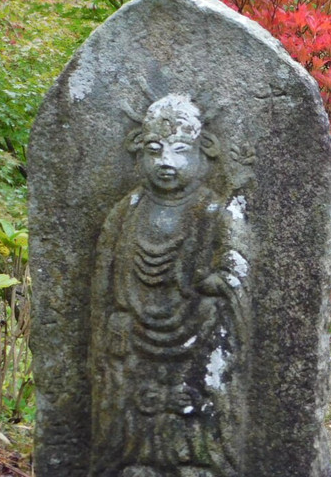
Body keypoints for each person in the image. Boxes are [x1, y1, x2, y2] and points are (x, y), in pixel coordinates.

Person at [89, 94, 248, 477]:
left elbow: (236, 267)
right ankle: (130, 461)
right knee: (131, 408)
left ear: (201, 152)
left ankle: (200, 460)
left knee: (195, 403)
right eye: (155, 150)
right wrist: (111, 319)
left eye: (180, 150)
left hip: (198, 331)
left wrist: (218, 282)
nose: (166, 162)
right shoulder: (125, 212)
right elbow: (103, 282)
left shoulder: (215, 212)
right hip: (132, 335)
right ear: (139, 152)